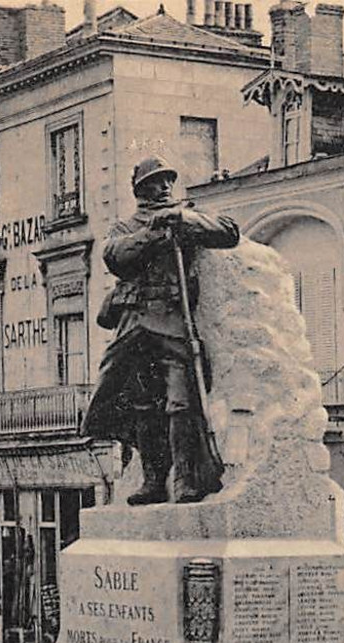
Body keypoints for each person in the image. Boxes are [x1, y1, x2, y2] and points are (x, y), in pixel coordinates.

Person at [82, 155, 240, 505]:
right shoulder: (126, 226)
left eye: (169, 180)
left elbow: (229, 232)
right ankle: (154, 480)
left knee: (181, 403)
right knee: (138, 404)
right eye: (157, 181)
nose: (166, 186)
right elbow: (116, 256)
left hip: (172, 322)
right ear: (141, 189)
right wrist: (155, 232)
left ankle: (186, 479)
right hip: (135, 326)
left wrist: (184, 219)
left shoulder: (184, 216)